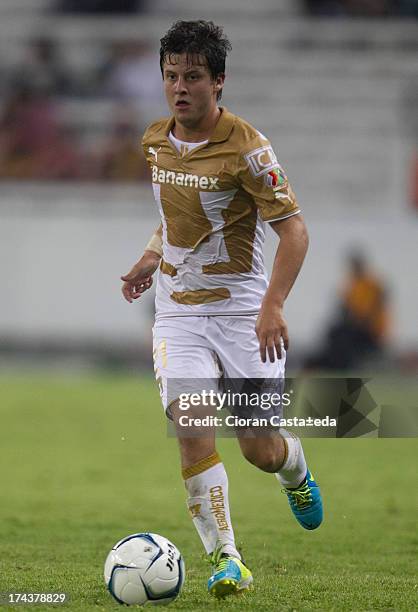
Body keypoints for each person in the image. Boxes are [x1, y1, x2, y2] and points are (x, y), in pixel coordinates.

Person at [121, 20, 323, 599]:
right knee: (191, 423)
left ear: (219, 81)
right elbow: (177, 214)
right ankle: (226, 558)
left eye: (192, 76)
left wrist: (274, 305)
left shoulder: (249, 149)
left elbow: (296, 232)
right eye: (170, 75)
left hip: (241, 314)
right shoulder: (155, 141)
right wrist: (148, 256)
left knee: (259, 448)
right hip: (179, 312)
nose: (179, 87)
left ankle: (295, 468)